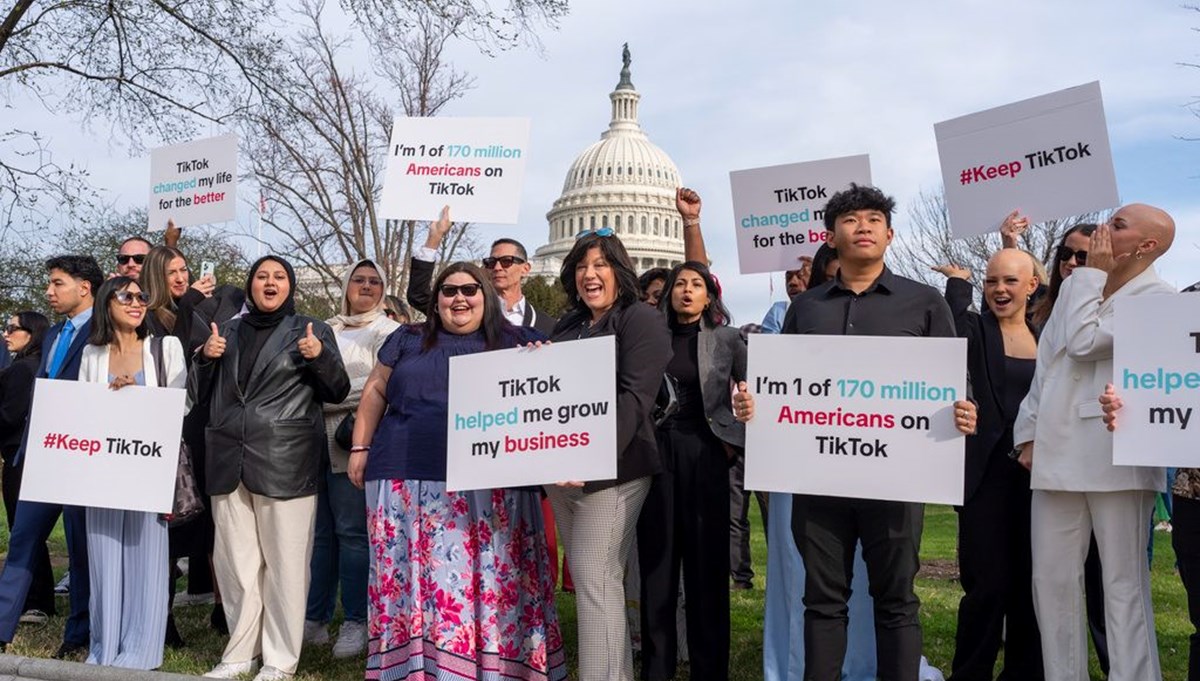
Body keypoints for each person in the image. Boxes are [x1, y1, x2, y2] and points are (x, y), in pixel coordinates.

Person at [779, 184, 977, 681]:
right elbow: (782, 383)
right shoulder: (806, 309)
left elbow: (953, 380)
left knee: (896, 601)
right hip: (820, 479)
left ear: (889, 234)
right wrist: (753, 406)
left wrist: (964, 408)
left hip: (898, 480)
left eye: (873, 219)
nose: (862, 226)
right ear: (832, 235)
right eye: (850, 219)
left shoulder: (925, 301)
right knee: (822, 602)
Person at [346, 262, 566, 681]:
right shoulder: (408, 338)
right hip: (406, 476)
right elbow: (375, 388)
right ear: (437, 300)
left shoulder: (520, 342)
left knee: (486, 580)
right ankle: (416, 669)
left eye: (469, 290)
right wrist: (360, 446)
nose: (459, 299)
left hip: (491, 485)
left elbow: (551, 397)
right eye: (449, 291)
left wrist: (545, 364)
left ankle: (495, 669)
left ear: (486, 295)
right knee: (411, 581)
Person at [1013, 204, 1176, 681]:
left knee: (1123, 585)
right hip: (1055, 452)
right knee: (1050, 581)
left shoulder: (1159, 300)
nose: (1104, 231)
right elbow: (1049, 364)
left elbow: (1085, 343)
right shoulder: (1074, 294)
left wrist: (1087, 279)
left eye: (1118, 226)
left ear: (1146, 246)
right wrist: (1028, 433)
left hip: (1119, 455)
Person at [190, 255, 350, 681]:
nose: (270, 282)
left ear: (290, 286)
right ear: (249, 285)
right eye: (262, 276)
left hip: (285, 461)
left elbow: (338, 388)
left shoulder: (310, 330)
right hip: (227, 458)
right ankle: (240, 653)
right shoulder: (227, 331)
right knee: (236, 564)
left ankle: (280, 658)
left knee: (285, 565)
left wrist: (318, 357)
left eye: (279, 276)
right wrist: (205, 357)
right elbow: (195, 393)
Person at [544, 230, 671, 681]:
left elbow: (635, 399)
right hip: (561, 472)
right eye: (581, 266)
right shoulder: (565, 326)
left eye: (599, 264)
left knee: (595, 578)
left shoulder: (641, 320)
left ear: (620, 270)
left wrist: (589, 457)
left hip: (615, 470)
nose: (589, 274)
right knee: (592, 577)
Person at [934, 250, 1043, 681]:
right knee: (986, 587)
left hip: (1039, 479)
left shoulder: (1047, 336)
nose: (1000, 289)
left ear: (1031, 285)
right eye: (991, 281)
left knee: (1031, 587)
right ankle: (971, 673)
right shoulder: (976, 330)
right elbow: (950, 330)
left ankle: (1023, 673)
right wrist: (958, 284)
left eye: (1010, 281)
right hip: (985, 478)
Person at [637, 260, 744, 681]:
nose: (687, 290)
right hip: (657, 455)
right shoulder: (651, 340)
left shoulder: (727, 340)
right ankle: (657, 670)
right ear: (668, 295)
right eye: (680, 284)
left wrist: (734, 437)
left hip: (707, 456)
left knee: (707, 569)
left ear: (708, 296)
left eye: (696, 284)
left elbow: (761, 393)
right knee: (659, 568)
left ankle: (709, 669)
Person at [78, 276, 185, 669]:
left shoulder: (165, 347)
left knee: (147, 558)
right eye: (127, 296)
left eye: (142, 296)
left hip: (148, 469)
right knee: (103, 558)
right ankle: (105, 648)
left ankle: (140, 650)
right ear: (108, 303)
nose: (137, 302)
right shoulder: (93, 354)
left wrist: (137, 398)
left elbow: (182, 405)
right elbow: (82, 411)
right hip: (103, 471)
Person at [0, 255, 104, 658]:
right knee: (23, 538)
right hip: (42, 455)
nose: (49, 291)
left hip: (83, 457)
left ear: (85, 287)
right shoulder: (57, 332)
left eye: (57, 283)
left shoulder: (105, 331)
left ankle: (77, 636)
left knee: (80, 550)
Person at [302, 260, 398, 658]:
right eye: (359, 280)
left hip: (353, 438)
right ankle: (315, 617)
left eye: (375, 281)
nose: (367, 287)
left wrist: (330, 388)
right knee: (319, 534)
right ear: (345, 285)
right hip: (310, 440)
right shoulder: (326, 327)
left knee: (353, 534)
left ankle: (356, 620)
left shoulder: (389, 331)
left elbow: (380, 386)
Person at [141, 244, 219, 646]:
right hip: (164, 432)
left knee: (201, 523)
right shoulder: (149, 317)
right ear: (156, 275)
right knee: (167, 531)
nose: (181, 277)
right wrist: (190, 303)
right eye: (172, 271)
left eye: (185, 269)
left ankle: (220, 608)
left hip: (199, 428)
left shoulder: (194, 310)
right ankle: (161, 617)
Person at [407, 207, 557, 335]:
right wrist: (435, 237)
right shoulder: (466, 311)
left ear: (525, 269)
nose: (497, 268)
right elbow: (418, 295)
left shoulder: (547, 325)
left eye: (506, 261)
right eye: (491, 262)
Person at [0, 311, 53, 624]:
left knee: (23, 529)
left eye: (13, 328)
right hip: (28, 453)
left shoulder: (22, 369)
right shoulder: (34, 366)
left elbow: (10, 415)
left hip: (19, 453)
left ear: (31, 333)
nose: (7, 333)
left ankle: (36, 599)